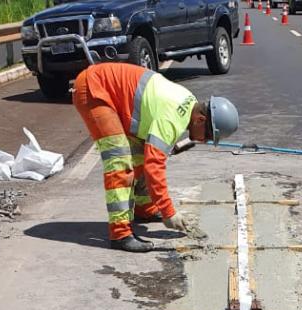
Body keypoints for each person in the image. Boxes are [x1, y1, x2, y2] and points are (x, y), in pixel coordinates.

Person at [72, 62, 239, 252]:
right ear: (200, 120)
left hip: (110, 92)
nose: (206, 141)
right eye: (209, 136)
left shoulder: (189, 103)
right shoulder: (173, 119)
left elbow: (150, 156)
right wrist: (169, 212)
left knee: (141, 157)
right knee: (120, 163)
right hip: (95, 90)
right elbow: (155, 166)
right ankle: (120, 234)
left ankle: (146, 210)